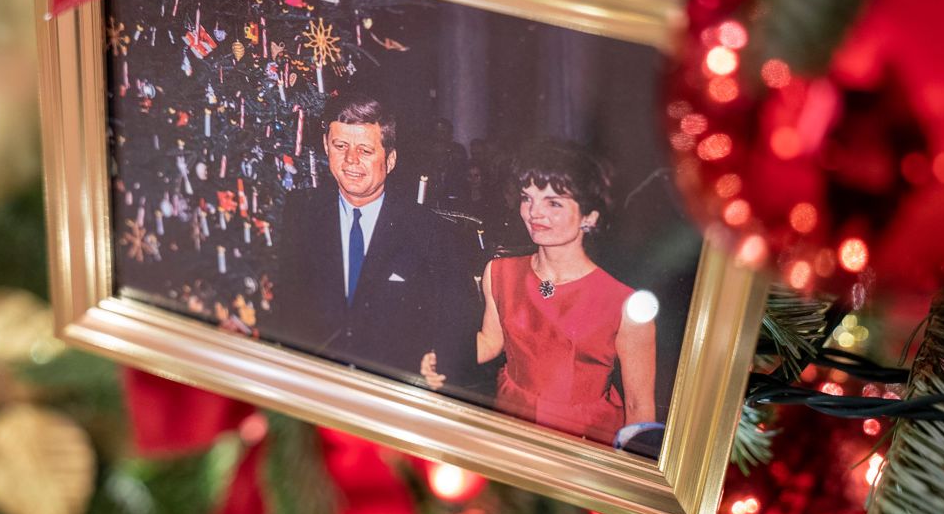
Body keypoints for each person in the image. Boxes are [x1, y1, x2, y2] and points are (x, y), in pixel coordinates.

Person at [422, 140, 656, 445]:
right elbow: (491, 342)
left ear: (590, 217)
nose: (535, 213)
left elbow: (640, 407)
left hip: (584, 436)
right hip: (510, 417)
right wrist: (443, 357)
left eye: (554, 203)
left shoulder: (624, 303)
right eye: (527, 198)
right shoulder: (500, 272)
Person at [267, 91, 484, 391]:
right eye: (340, 146)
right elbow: (284, 303)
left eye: (366, 150)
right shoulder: (300, 211)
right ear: (326, 148)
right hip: (312, 387)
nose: (351, 160)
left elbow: (458, 322)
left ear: (391, 159)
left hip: (391, 393)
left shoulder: (431, 232)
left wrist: (438, 361)